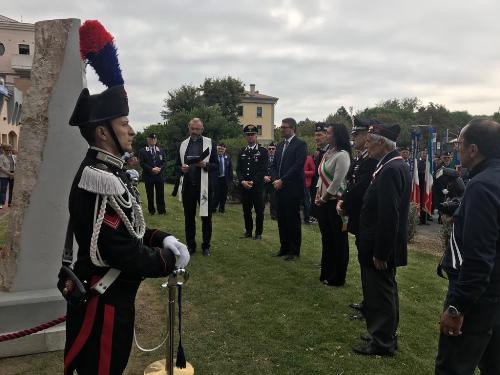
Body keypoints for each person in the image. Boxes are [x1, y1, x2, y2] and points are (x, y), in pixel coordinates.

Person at [64, 20, 189, 374]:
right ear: (103, 132)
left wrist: (164, 238)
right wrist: (167, 261)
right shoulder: (97, 177)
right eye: (124, 124)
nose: (132, 130)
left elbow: (130, 229)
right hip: (103, 304)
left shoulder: (110, 172)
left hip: (115, 301)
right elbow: (120, 250)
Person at [435, 119, 500, 374]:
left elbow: (478, 258)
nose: (456, 149)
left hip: (479, 299)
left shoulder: (482, 186)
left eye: (459, 144)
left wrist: (457, 306)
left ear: (473, 149)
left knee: (453, 366)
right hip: (495, 294)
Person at [353, 122, 411, 356]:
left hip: (379, 245)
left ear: (381, 143)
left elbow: (389, 215)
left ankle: (383, 342)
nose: (366, 145)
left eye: (369, 141)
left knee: (382, 293)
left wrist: (380, 252)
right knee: (382, 291)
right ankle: (381, 333)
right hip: (377, 242)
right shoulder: (390, 165)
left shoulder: (390, 169)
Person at [337, 117, 379, 315]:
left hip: (365, 215)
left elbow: (361, 187)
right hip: (358, 214)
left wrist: (344, 201)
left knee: (368, 263)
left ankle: (371, 303)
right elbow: (352, 182)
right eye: (353, 134)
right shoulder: (362, 156)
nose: (353, 138)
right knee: (363, 260)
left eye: (357, 134)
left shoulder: (371, 159)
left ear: (366, 135)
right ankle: (368, 300)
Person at [175, 117, 218, 256]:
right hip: (188, 186)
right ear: (189, 128)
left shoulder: (210, 143)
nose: (194, 131)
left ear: (202, 129)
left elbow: (216, 165)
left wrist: (205, 165)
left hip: (204, 186)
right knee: (189, 218)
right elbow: (176, 165)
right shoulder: (182, 144)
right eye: (192, 129)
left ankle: (206, 246)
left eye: (197, 129)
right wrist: (181, 169)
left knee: (206, 217)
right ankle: (191, 245)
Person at [315, 123, 351, 286]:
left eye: (328, 133)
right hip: (323, 201)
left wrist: (323, 198)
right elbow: (320, 176)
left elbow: (337, 182)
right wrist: (318, 193)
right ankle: (326, 272)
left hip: (335, 202)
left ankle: (337, 276)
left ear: (336, 135)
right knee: (327, 239)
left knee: (338, 241)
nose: (325, 135)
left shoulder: (343, 155)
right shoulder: (328, 153)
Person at [271, 118, 307, 261]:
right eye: (281, 127)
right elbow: (273, 164)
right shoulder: (279, 146)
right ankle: (284, 247)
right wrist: (275, 179)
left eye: (284, 127)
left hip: (292, 188)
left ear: (292, 129)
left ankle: (294, 250)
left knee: (292, 219)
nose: (281, 129)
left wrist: (283, 180)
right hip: (279, 187)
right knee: (282, 219)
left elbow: (298, 166)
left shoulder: (300, 145)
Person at [236, 125, 268, 240]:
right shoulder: (242, 151)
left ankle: (258, 233)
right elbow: (238, 169)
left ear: (256, 136)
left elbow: (263, 169)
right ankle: (248, 231)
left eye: (252, 135)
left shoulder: (262, 151)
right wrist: (242, 181)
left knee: (259, 211)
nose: (250, 137)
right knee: (246, 210)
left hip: (257, 187)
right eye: (248, 135)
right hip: (245, 187)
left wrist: (253, 182)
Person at [138, 133, 166, 215]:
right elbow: (142, 163)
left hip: (159, 175)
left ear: (156, 140)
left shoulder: (161, 150)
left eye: (154, 139)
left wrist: (160, 168)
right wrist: (151, 169)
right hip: (148, 176)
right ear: (148, 140)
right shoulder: (142, 151)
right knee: (150, 194)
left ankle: (161, 210)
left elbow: (164, 162)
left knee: (160, 193)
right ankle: (151, 211)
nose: (153, 140)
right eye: (151, 139)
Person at [310, 123, 329, 222]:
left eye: (319, 135)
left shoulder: (332, 151)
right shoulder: (318, 151)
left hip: (329, 194)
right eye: (315, 135)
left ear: (327, 135)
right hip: (318, 189)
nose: (316, 138)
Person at [212, 143, 233, 213]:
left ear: (225, 150)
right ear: (217, 149)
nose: (221, 150)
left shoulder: (228, 157)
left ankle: (222, 208)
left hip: (224, 179)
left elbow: (230, 169)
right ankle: (213, 208)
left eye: (222, 149)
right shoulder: (213, 157)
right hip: (216, 178)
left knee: (223, 195)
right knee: (216, 194)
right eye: (219, 149)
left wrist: (230, 180)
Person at [263, 142, 277, 220]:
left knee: (273, 199)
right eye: (269, 149)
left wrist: (272, 178)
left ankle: (274, 215)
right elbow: (260, 169)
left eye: (273, 149)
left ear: (275, 150)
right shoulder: (264, 158)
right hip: (264, 182)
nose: (271, 150)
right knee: (262, 198)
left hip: (273, 182)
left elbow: (278, 171)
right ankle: (260, 213)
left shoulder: (278, 159)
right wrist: (264, 177)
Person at [0, 144, 15, 209]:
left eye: (10, 150)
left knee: (12, 190)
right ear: (4, 150)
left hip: (12, 175)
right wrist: (9, 174)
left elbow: (16, 165)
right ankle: (1, 203)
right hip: (4, 175)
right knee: (3, 189)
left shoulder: (14, 156)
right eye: (7, 150)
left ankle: (10, 203)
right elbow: (1, 168)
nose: (8, 151)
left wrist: (13, 174)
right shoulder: (1, 157)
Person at [303, 153, 316, 224]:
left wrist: (303, 173)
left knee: (306, 202)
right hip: (295, 184)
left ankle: (307, 218)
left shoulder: (309, 158)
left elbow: (313, 172)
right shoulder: (294, 157)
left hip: (305, 184)